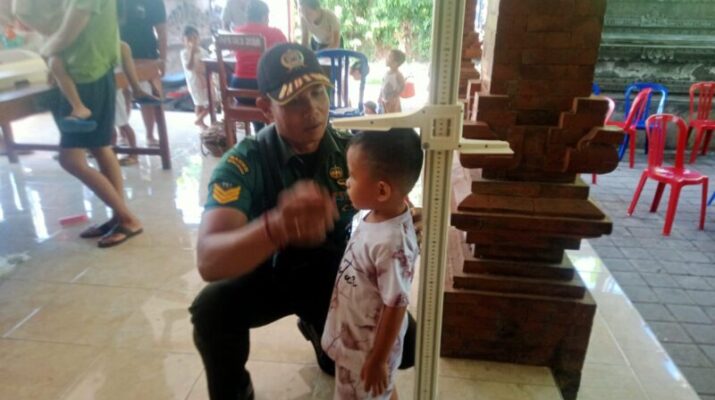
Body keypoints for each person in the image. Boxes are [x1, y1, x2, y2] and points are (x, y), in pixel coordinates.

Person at [189, 43, 416, 400]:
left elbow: (393, 204)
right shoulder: (244, 163)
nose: (313, 109)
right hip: (269, 276)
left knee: (408, 344)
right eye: (294, 101)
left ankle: (319, 331)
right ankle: (234, 392)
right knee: (210, 310)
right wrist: (277, 226)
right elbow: (208, 259)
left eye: (318, 92)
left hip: (334, 277)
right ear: (266, 108)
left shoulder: (352, 151)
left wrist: (404, 220)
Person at [321, 128, 422, 400]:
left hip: (367, 351)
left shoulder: (391, 245)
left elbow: (396, 305)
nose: (347, 182)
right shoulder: (381, 212)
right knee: (380, 394)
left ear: (381, 190)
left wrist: (377, 360)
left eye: (353, 176)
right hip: (355, 333)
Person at [36, 0, 143, 247]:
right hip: (90, 73)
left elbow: (67, 32)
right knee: (100, 148)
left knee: (71, 160)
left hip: (86, 77)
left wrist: (47, 51)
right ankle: (119, 217)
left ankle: (128, 218)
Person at [230, 0, 287, 132]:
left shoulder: (236, 32)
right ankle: (272, 133)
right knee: (275, 87)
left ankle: (259, 132)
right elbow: (287, 54)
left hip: (239, 91)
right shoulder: (275, 33)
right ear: (264, 16)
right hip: (261, 91)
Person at [118, 0, 167, 146]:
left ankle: (150, 135)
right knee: (121, 96)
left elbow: (162, 31)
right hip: (117, 55)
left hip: (146, 56)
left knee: (147, 97)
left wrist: (162, 60)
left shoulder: (154, 2)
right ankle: (122, 134)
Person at [180, 25, 210, 130]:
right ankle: (200, 121)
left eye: (195, 38)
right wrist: (192, 52)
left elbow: (208, 66)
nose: (192, 41)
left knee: (213, 102)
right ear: (184, 41)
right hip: (194, 83)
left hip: (206, 81)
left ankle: (199, 120)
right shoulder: (184, 53)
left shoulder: (204, 52)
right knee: (199, 103)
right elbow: (189, 67)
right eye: (189, 38)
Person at [379, 49, 406, 114]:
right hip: (384, 101)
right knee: (385, 117)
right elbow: (383, 85)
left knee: (393, 117)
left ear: (395, 63)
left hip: (393, 103)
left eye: (389, 56)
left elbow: (403, 86)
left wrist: (395, 97)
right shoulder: (387, 73)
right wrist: (380, 96)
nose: (386, 58)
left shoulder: (398, 75)